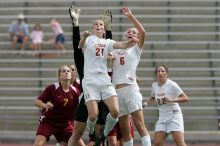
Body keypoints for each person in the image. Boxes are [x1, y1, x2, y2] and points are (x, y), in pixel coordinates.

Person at [68, 6, 111, 146]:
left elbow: (107, 45)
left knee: (99, 138)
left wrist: (109, 27)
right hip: (87, 98)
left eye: (101, 26)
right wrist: (76, 23)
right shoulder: (84, 62)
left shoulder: (104, 51)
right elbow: (77, 47)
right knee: (77, 134)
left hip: (102, 98)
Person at [110, 6, 151, 146]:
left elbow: (143, 31)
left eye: (134, 33)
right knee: (124, 129)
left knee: (139, 125)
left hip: (131, 89)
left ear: (137, 38)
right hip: (117, 91)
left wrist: (130, 16)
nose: (132, 33)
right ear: (124, 36)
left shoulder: (136, 49)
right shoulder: (116, 50)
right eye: (129, 32)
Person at [33, 65, 80, 146]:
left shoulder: (75, 92)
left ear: (71, 75)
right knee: (38, 144)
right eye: (63, 71)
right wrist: (44, 105)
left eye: (68, 71)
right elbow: (37, 102)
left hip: (65, 124)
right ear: (59, 76)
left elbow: (78, 109)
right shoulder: (52, 88)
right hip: (49, 122)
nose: (66, 72)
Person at [145, 65, 189, 146]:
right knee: (157, 143)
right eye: (158, 71)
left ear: (166, 74)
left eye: (162, 71)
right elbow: (152, 97)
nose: (160, 73)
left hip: (174, 116)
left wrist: (173, 100)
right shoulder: (154, 85)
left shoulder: (172, 84)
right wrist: (145, 104)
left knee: (180, 143)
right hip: (162, 118)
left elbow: (185, 98)